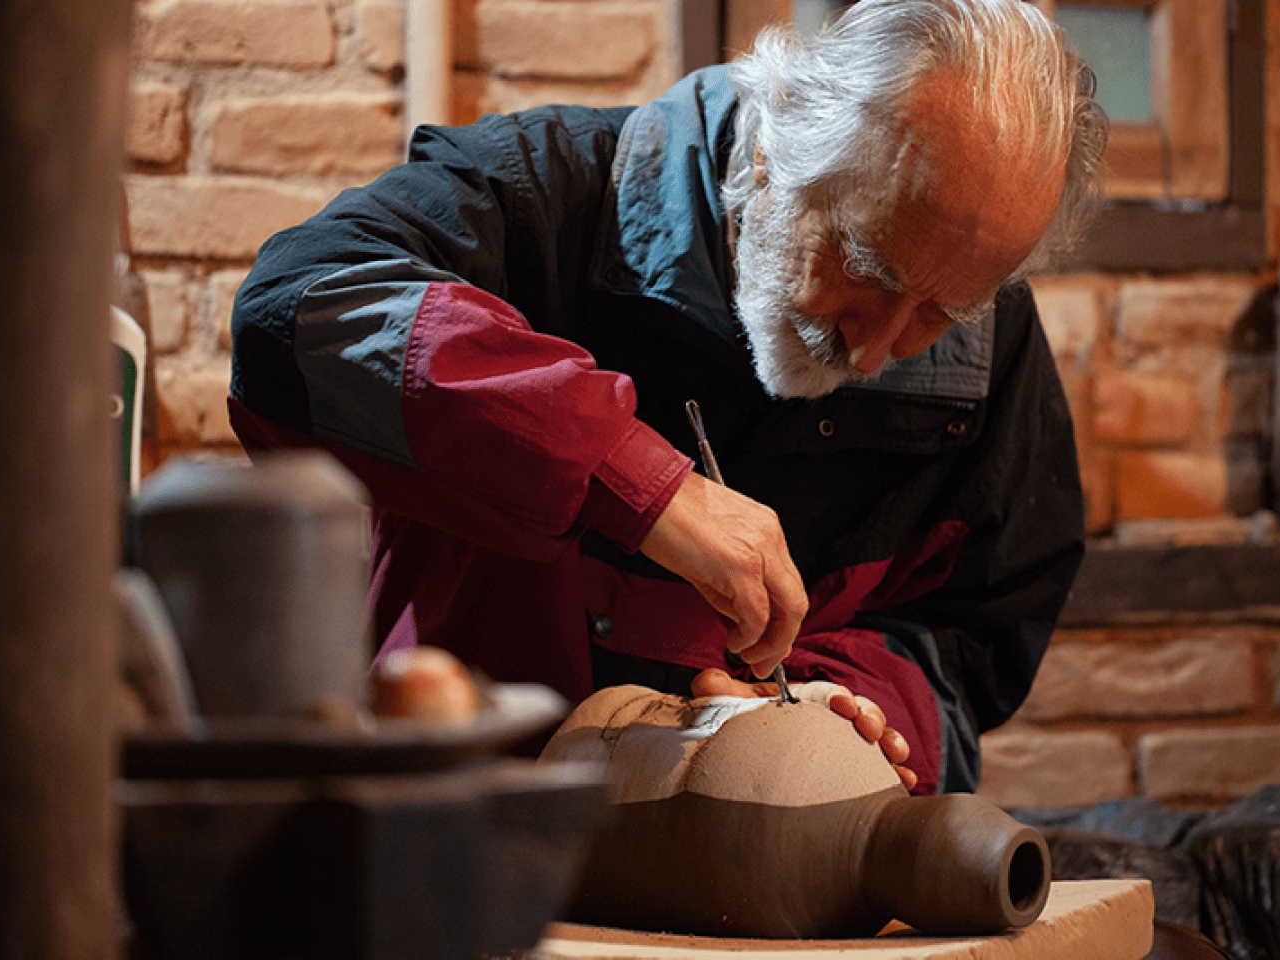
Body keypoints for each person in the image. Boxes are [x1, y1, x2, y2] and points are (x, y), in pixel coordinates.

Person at [228, 0, 1108, 795]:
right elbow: (293, 312)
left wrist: (841, 707)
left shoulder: (991, 348)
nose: (876, 349)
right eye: (868, 268)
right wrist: (637, 483)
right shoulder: (539, 195)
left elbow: (977, 629)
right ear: (774, 150)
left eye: (941, 313)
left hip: (740, 893)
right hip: (456, 838)